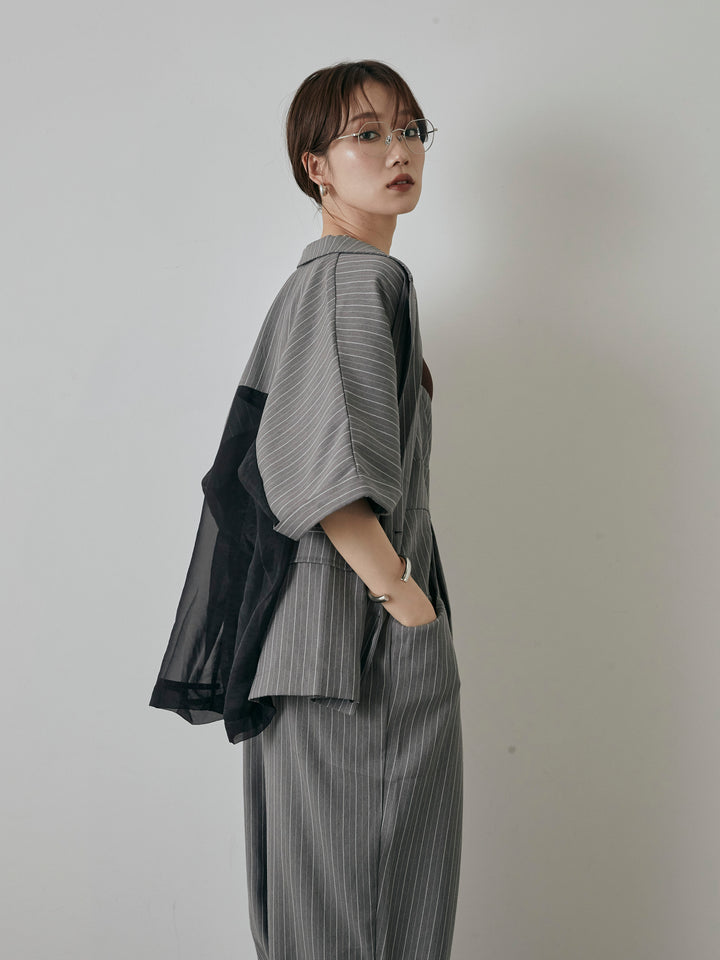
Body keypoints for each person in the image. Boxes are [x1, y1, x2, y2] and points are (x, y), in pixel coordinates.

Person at [233, 60, 464, 960]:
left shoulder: (336, 280)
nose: (398, 150)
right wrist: (407, 605)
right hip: (357, 654)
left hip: (318, 650)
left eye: (409, 129)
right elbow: (322, 482)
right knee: (373, 922)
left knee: (331, 920)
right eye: (367, 134)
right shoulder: (354, 282)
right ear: (316, 166)